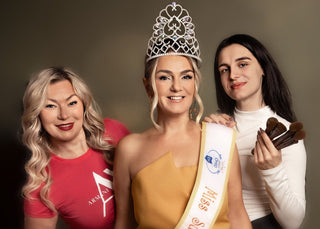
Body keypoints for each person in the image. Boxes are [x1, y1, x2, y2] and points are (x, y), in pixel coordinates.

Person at [113, 3, 251, 229]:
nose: (177, 87)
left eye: (186, 77)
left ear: (195, 83)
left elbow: (236, 214)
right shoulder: (130, 149)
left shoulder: (221, 140)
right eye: (165, 77)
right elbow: (124, 223)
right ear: (148, 86)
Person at [205, 34, 306, 228]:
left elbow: (293, 222)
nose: (233, 75)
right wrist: (204, 136)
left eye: (242, 64)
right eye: (224, 69)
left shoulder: (286, 134)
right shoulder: (216, 126)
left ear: (263, 69)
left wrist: (273, 170)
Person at [21, 67, 130, 229]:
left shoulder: (115, 132)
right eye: (50, 106)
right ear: (37, 114)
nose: (64, 115)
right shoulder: (41, 184)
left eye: (72, 102)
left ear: (83, 105)